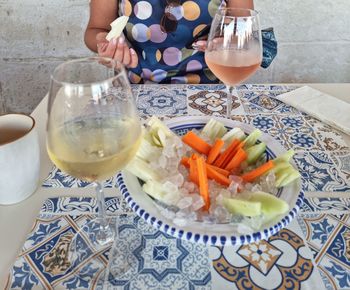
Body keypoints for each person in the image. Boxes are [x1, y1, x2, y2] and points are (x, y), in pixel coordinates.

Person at [84, 0, 255, 84]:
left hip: (208, 91)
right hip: (134, 91)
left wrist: (228, 43)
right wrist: (105, 43)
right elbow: (96, 30)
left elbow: (245, 32)